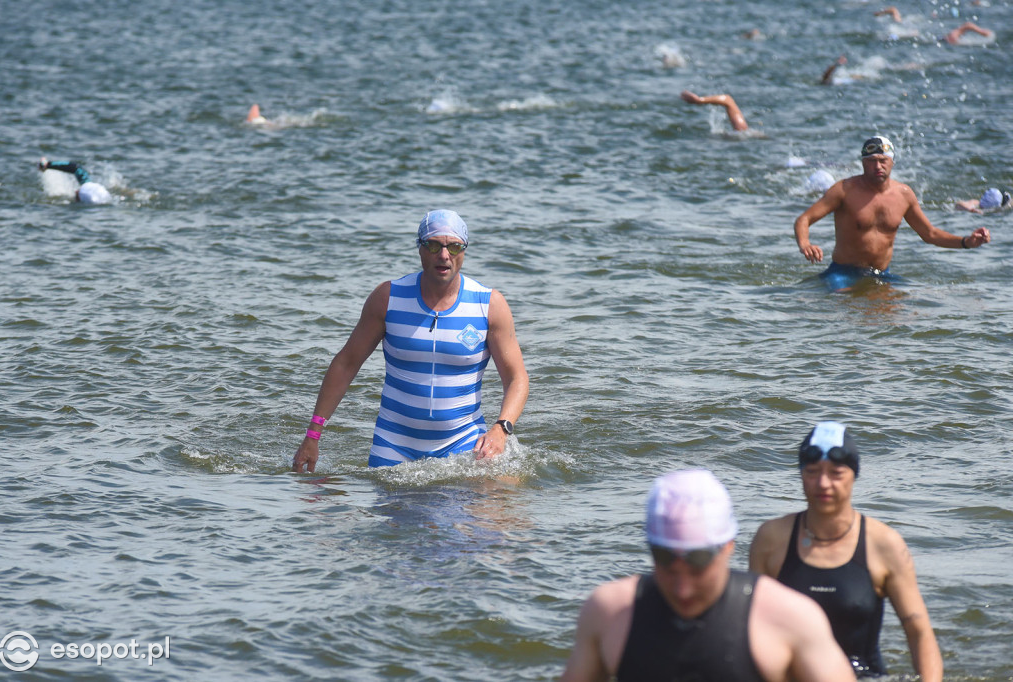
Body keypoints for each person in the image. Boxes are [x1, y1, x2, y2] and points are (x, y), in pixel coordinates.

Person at [560, 468, 856, 682]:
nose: (683, 588)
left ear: (728, 547)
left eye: (698, 566)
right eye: (666, 562)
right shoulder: (610, 613)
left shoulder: (790, 618)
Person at [292, 209, 529, 472]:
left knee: (505, 505)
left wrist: (501, 428)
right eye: (433, 245)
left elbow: (517, 378)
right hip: (393, 445)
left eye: (453, 246)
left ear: (464, 250)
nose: (444, 255)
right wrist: (313, 435)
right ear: (419, 248)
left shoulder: (489, 304)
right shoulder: (388, 298)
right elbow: (345, 364)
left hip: (464, 445)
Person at [749, 422, 944, 680]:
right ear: (800, 474)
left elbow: (918, 630)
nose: (823, 483)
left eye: (836, 473)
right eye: (812, 471)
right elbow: (752, 630)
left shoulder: (884, 544)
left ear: (854, 475)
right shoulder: (771, 540)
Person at [793, 135, 990, 291]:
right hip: (842, 272)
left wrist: (967, 242)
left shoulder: (904, 195)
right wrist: (805, 244)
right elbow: (804, 219)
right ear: (863, 163)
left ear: (892, 162)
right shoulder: (844, 190)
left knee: (916, 307)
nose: (877, 166)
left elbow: (930, 234)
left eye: (882, 160)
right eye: (871, 161)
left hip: (881, 274)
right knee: (845, 306)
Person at [37, 157, 112, 205]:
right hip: (96, 192)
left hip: (96, 191)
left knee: (76, 168)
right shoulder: (92, 194)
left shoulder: (88, 195)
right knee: (76, 168)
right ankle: (47, 165)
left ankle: (47, 165)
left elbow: (74, 167)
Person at [680, 90, 748, 132]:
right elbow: (728, 100)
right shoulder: (742, 133)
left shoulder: (741, 134)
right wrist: (700, 100)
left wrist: (699, 100)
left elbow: (728, 100)